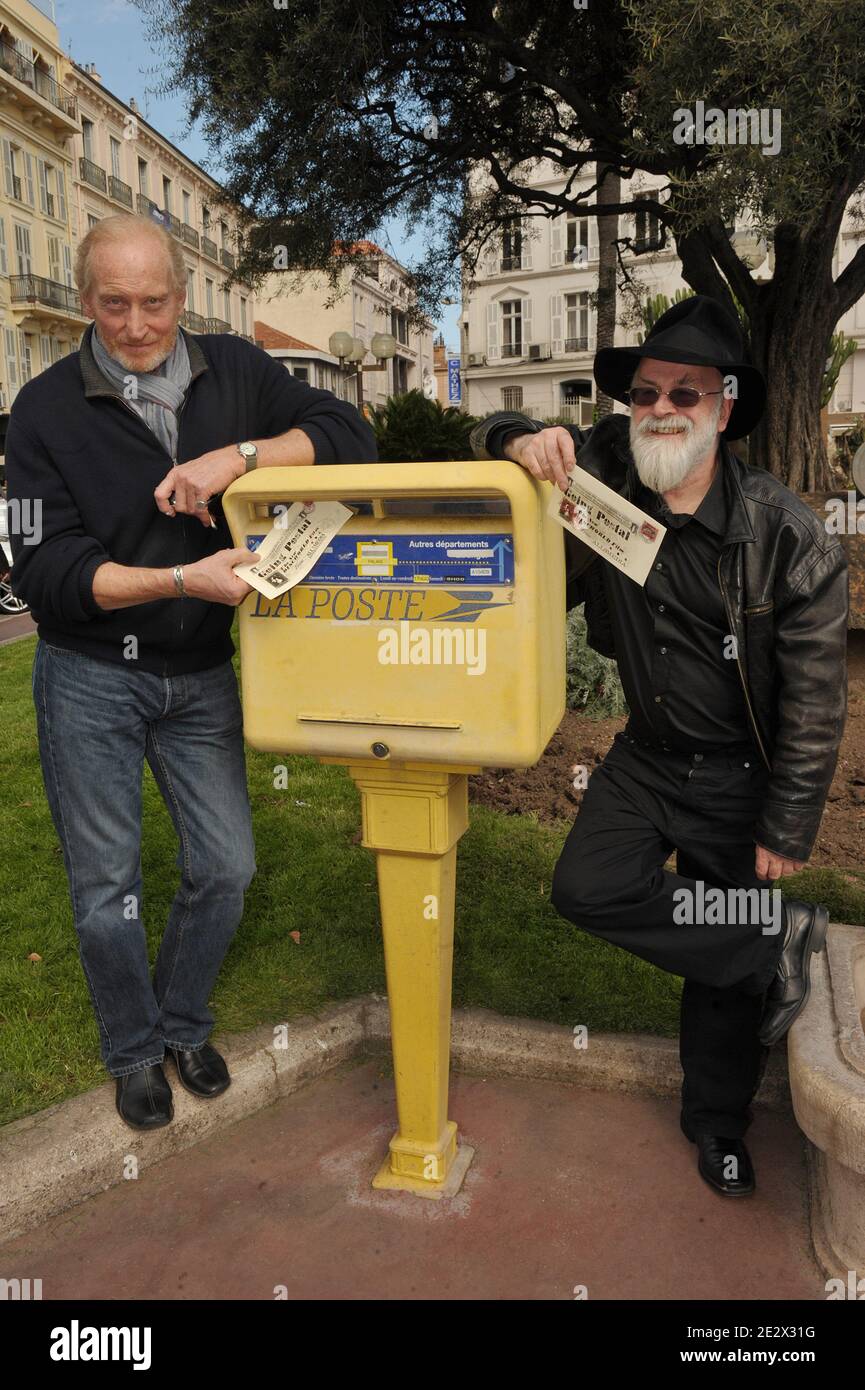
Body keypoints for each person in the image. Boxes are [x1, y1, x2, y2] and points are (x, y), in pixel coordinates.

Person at [6, 213, 377, 1130]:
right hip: (88, 672)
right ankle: (135, 1052)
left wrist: (235, 458)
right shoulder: (39, 409)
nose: (136, 325)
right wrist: (182, 578)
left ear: (185, 293)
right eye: (114, 304)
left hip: (199, 673)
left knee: (227, 868)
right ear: (86, 298)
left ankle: (181, 1022)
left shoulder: (234, 369)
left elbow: (347, 433)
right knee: (106, 888)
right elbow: (38, 569)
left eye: (156, 303)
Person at [470, 295, 848, 1196]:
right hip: (646, 753)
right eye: (644, 393)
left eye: (686, 392)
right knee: (586, 888)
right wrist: (515, 436)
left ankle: (717, 1125)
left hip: (738, 772)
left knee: (718, 979)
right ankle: (772, 940)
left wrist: (787, 826)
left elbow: (814, 700)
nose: (661, 408)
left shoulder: (785, 534)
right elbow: (489, 428)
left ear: (723, 406)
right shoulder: (603, 467)